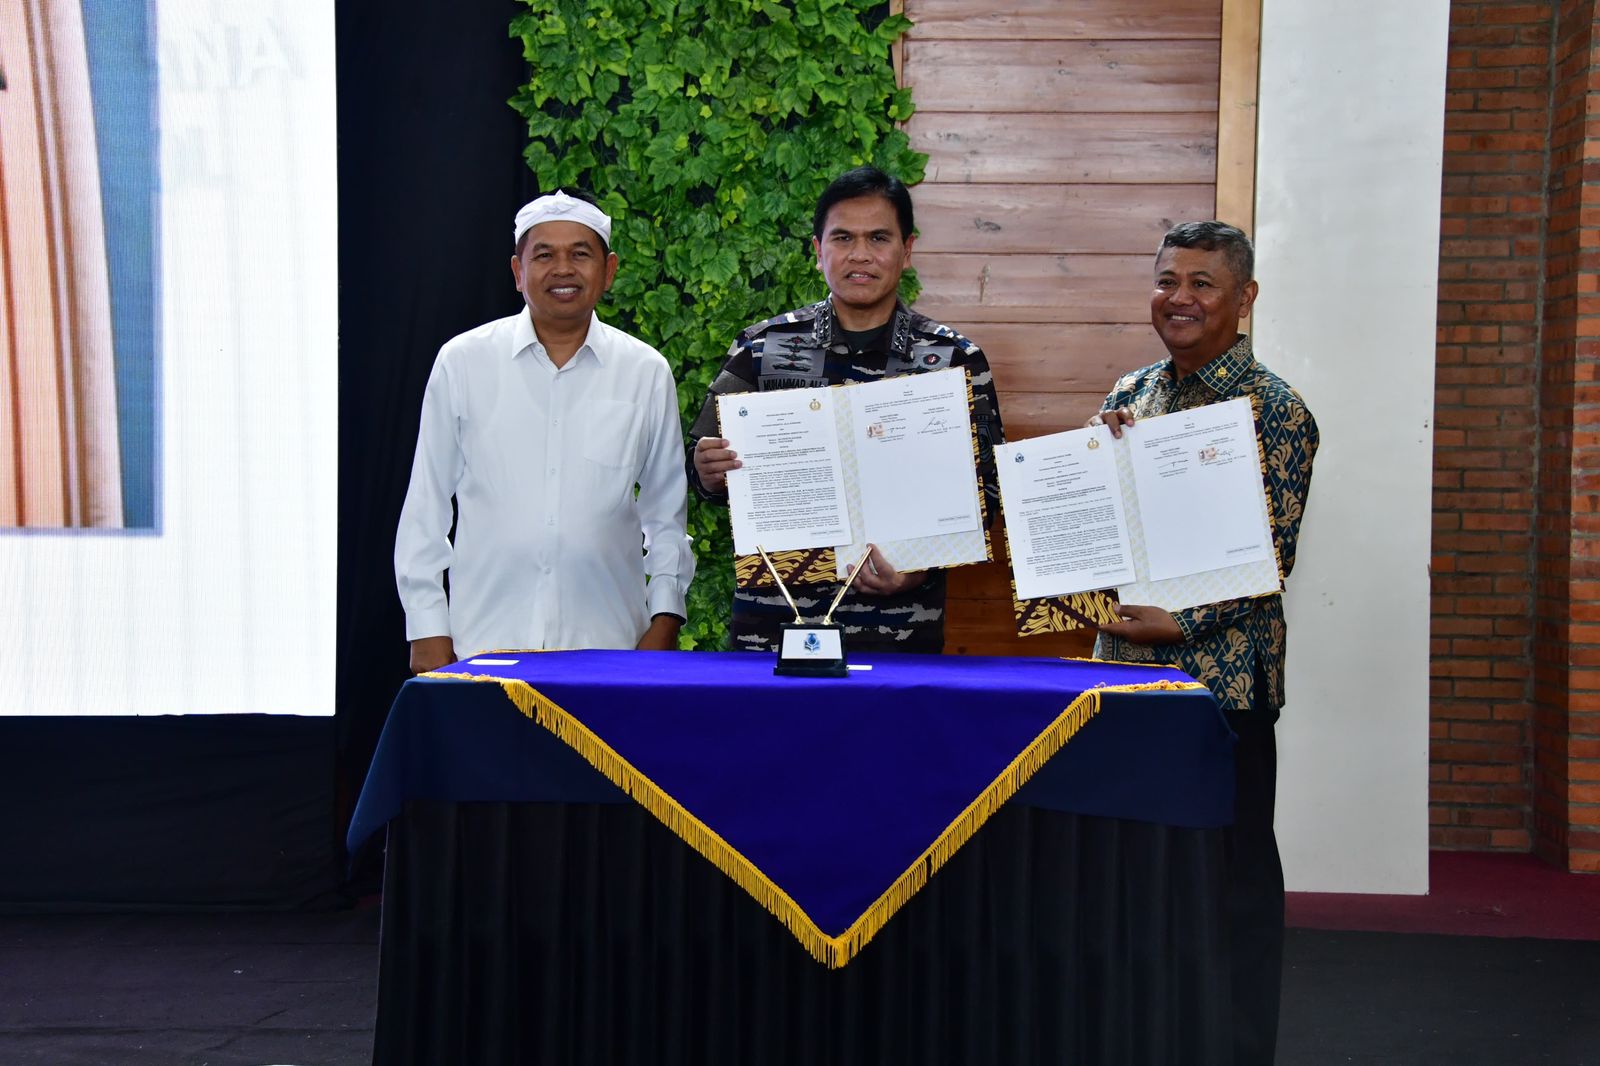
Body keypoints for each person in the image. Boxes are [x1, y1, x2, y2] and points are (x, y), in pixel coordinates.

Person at [1090, 220, 1318, 1065]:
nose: (1178, 298)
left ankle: (1235, 1050)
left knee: (1231, 886)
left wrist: (1181, 624)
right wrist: (1095, 464)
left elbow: (1271, 558)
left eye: (1202, 283)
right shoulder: (1133, 392)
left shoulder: (1276, 409)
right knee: (1132, 879)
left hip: (1224, 691)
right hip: (1127, 682)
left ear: (1244, 298)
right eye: (1167, 280)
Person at [686, 166, 1004, 653]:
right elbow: (700, 466)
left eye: (878, 237)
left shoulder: (953, 361)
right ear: (818, 251)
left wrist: (919, 568)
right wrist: (707, 471)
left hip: (898, 635)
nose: (860, 254)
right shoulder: (762, 349)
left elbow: (989, 494)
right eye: (843, 238)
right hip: (771, 633)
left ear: (907, 250)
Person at [395, 190, 695, 673]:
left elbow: (666, 515)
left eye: (580, 254)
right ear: (518, 272)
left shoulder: (645, 372)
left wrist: (665, 619)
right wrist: (426, 626)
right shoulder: (463, 362)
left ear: (609, 270)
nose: (562, 269)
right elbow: (426, 505)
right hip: (484, 644)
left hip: (610, 647)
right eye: (544, 255)